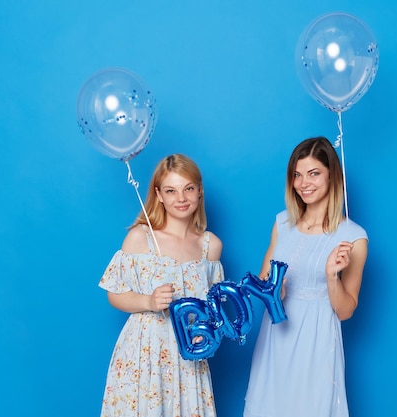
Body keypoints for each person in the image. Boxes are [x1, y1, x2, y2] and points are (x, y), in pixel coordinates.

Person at [243, 136, 369, 417]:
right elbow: (264, 283)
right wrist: (275, 291)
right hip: (276, 337)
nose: (303, 183)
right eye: (297, 175)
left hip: (316, 340)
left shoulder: (354, 237)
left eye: (314, 173)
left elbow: (346, 310)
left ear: (332, 175)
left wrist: (331, 276)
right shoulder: (282, 223)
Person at [98, 154, 224, 417]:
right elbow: (114, 293)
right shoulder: (139, 238)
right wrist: (148, 301)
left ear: (199, 191)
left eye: (188, 188)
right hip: (145, 354)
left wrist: (207, 332)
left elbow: (214, 309)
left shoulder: (210, 246)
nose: (181, 198)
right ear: (159, 195)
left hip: (188, 356)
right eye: (171, 190)